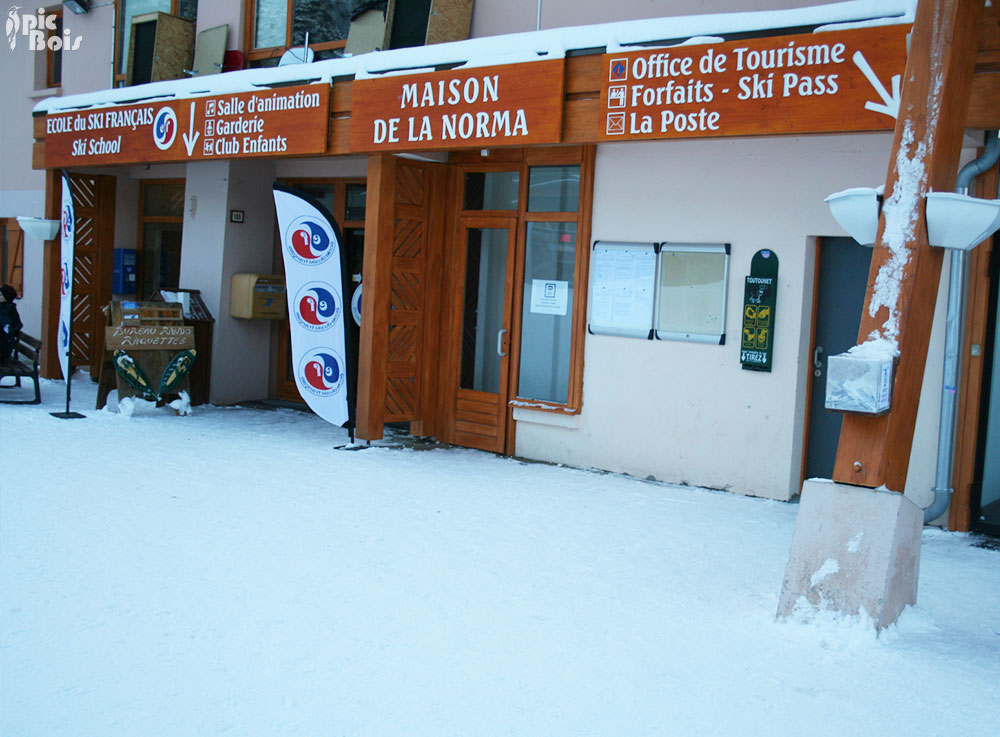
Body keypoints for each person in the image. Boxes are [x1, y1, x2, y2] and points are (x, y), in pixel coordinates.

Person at [0, 284, 23, 364]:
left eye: (0, 295)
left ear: (6, 298)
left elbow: (11, 327)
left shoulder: (8, 311)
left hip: (3, 351)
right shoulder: (5, 309)